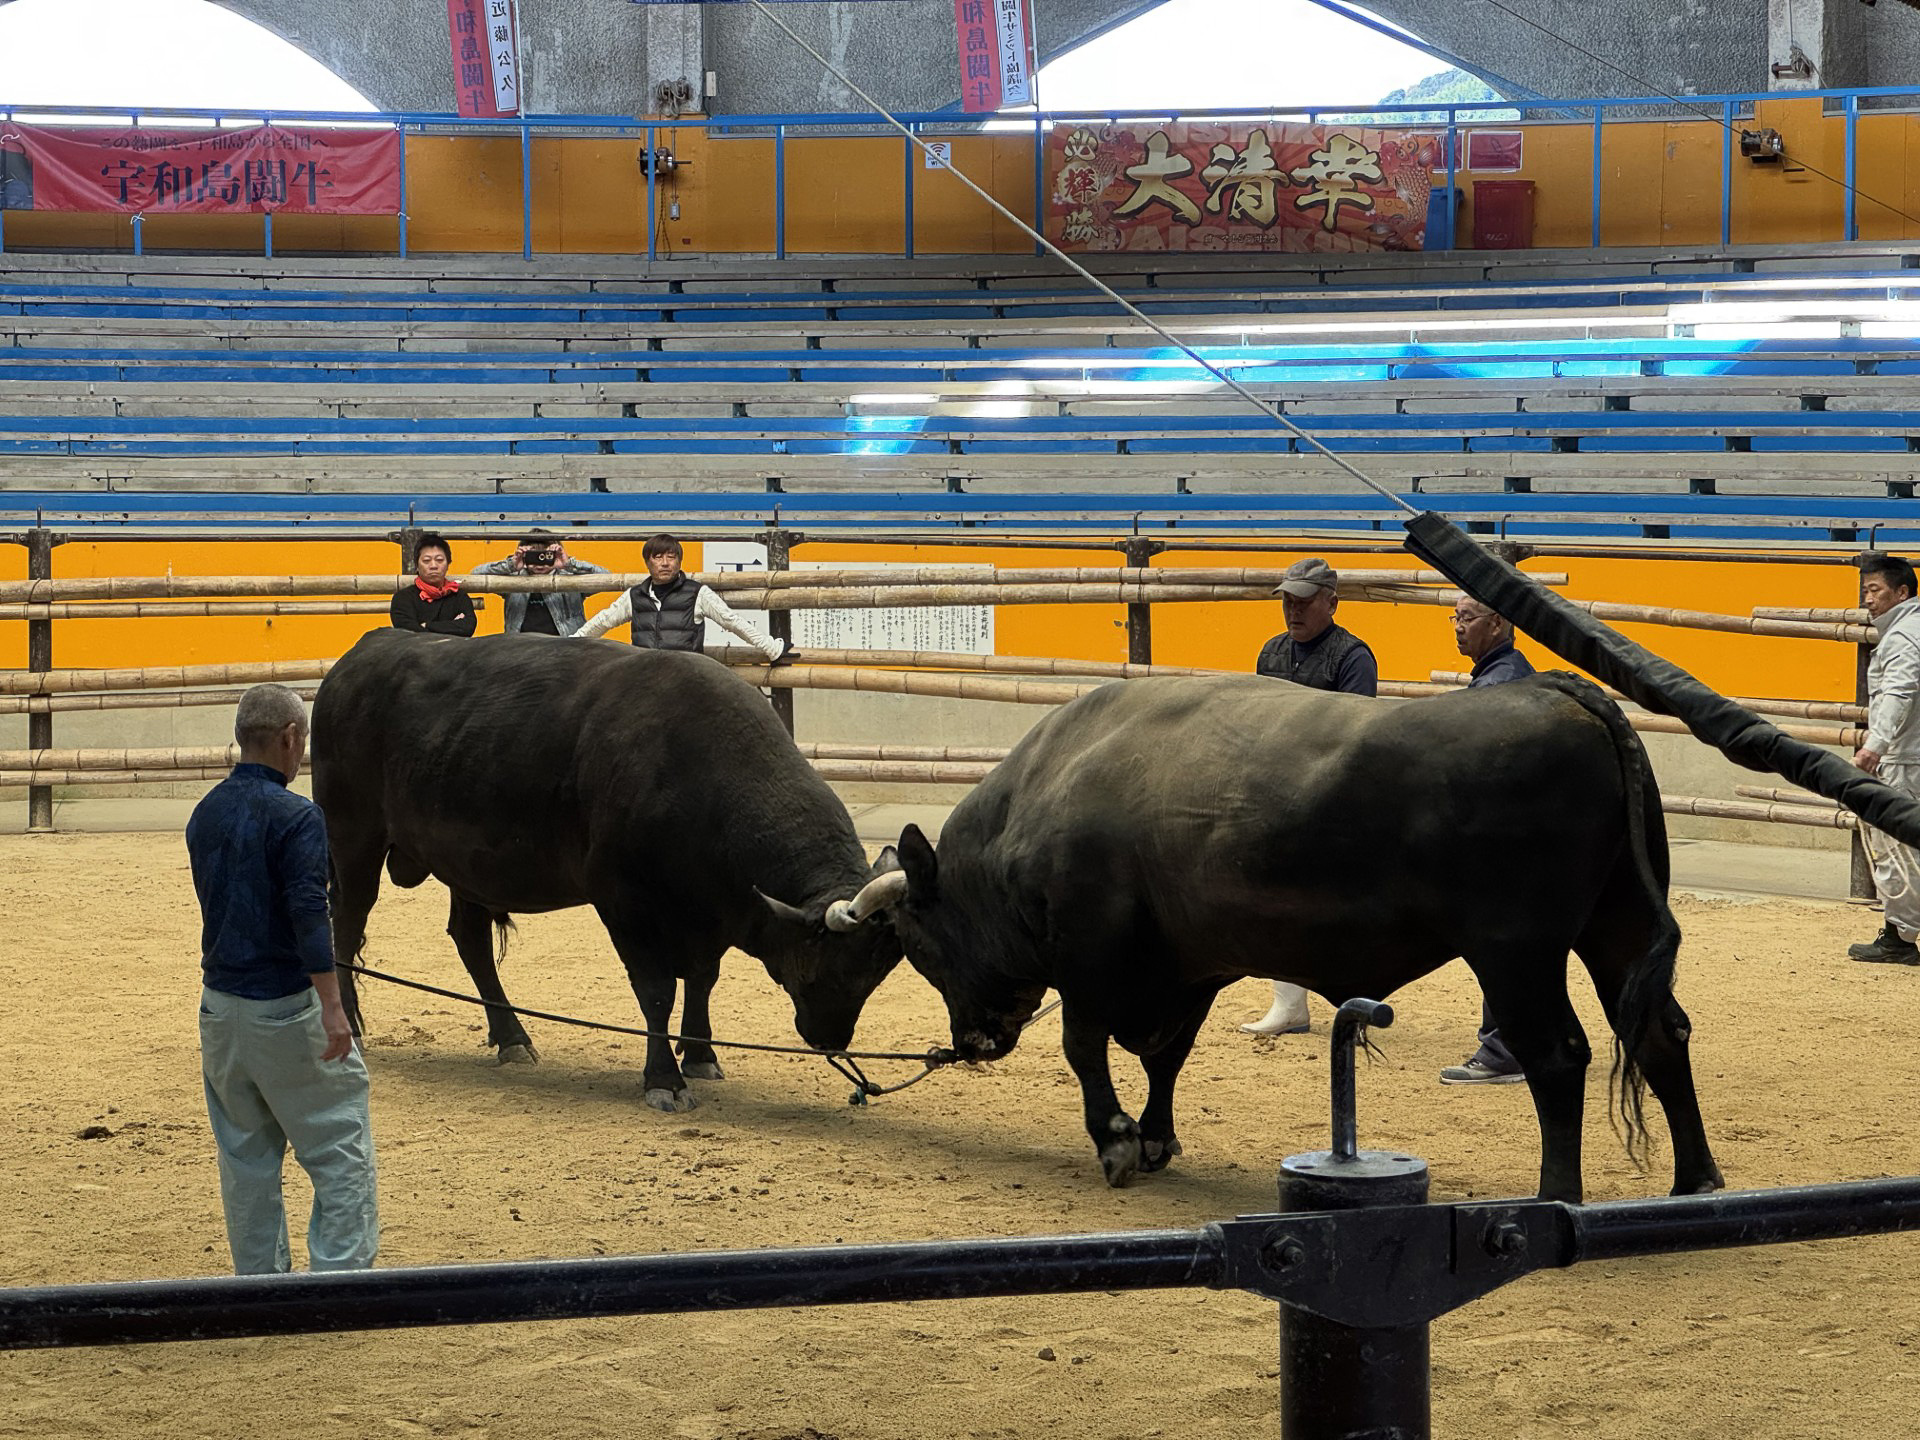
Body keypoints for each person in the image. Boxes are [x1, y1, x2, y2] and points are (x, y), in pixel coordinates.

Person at [187, 684, 377, 1275]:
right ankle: (341, 1279)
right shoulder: (298, 816)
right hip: (284, 1005)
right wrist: (333, 1004)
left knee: (245, 1157)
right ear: (291, 739)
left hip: (220, 1007)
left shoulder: (206, 811)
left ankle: (259, 1284)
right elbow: (306, 913)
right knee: (338, 1147)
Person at [1242, 556, 1380, 1037]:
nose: (1292, 610)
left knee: (1341, 906)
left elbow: (1357, 734)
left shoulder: (1353, 657)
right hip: (1278, 794)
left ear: (1331, 603)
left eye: (1303, 601)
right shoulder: (1270, 653)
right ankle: (1289, 1003)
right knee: (1281, 898)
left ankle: (1355, 1006)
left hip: (1334, 798)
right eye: (1287, 601)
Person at [1438, 595, 1539, 1085]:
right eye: (1455, 617)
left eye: (1468, 618)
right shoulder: (1504, 674)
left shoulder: (1500, 683)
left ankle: (1502, 1050)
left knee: (1498, 940)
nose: (1458, 627)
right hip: (1520, 834)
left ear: (1498, 623)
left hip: (1504, 837)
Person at [574, 532, 798, 664]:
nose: (665, 563)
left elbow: (733, 621)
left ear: (679, 561)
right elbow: (601, 622)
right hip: (643, 677)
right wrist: (570, 645)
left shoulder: (698, 593)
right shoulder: (634, 596)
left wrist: (770, 648)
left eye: (671, 557)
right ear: (647, 562)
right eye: (658, 557)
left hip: (685, 678)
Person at [1848, 552, 1920, 965]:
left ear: (1902, 592)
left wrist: (1875, 746)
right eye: (1865, 592)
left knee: (1896, 847)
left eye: (1875, 591)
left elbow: (1898, 693)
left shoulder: (1903, 637)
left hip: (1906, 759)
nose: (1868, 600)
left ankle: (1899, 937)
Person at [469, 529, 608, 636]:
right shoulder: (512, 579)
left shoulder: (571, 578)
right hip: (522, 649)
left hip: (567, 648)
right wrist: (511, 564)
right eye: (534, 556)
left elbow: (606, 577)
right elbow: (476, 574)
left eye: (545, 556)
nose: (540, 563)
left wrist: (569, 563)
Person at [388, 531, 476, 636]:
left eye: (439, 560)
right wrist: (451, 626)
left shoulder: (459, 596)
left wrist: (427, 625)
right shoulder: (403, 598)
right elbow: (409, 634)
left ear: (448, 564)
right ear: (416, 565)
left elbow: (468, 627)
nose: (433, 565)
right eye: (426, 561)